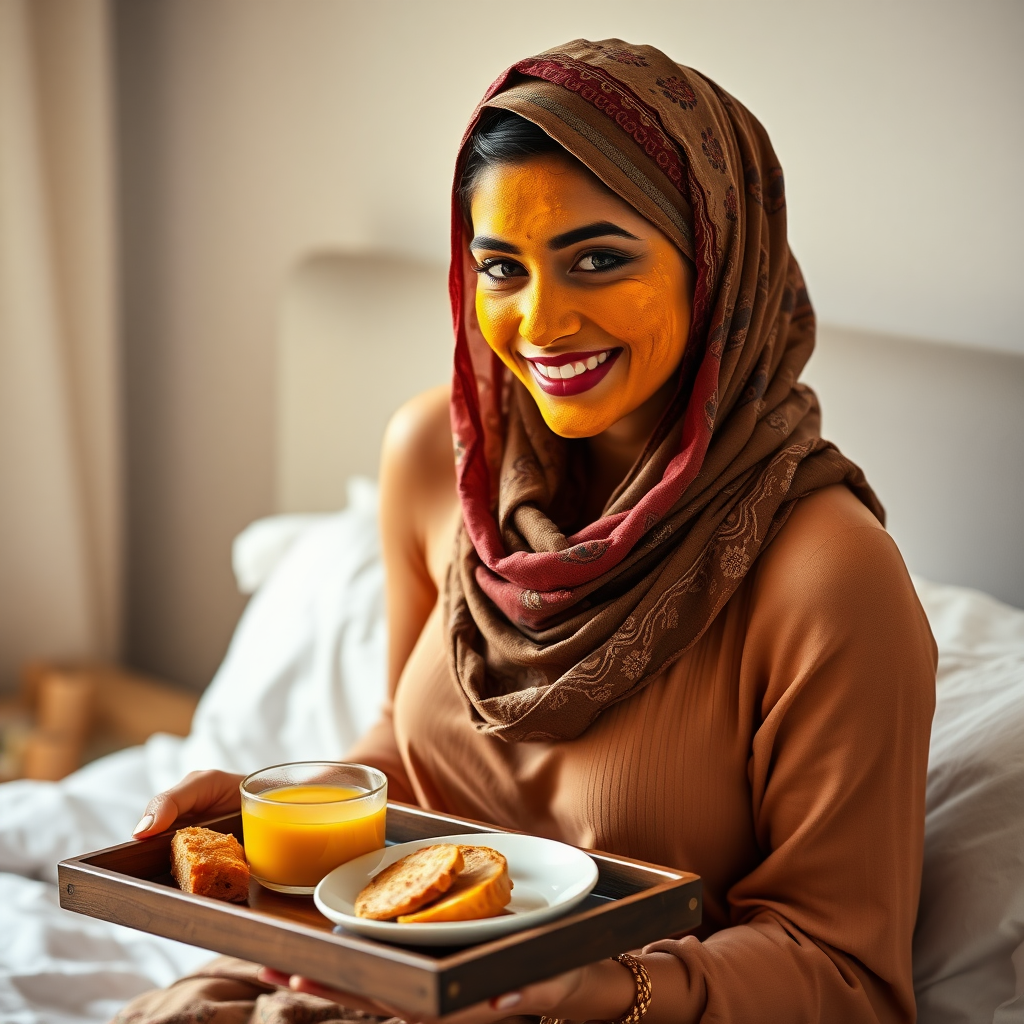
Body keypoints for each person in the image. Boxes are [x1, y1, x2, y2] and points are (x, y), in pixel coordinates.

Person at [121, 39, 936, 1024]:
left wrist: (592, 987)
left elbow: (847, 976)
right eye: (500, 266)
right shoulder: (437, 458)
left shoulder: (825, 572)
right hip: (379, 976)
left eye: (598, 258)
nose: (539, 321)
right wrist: (281, 814)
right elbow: (420, 761)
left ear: (718, 262)